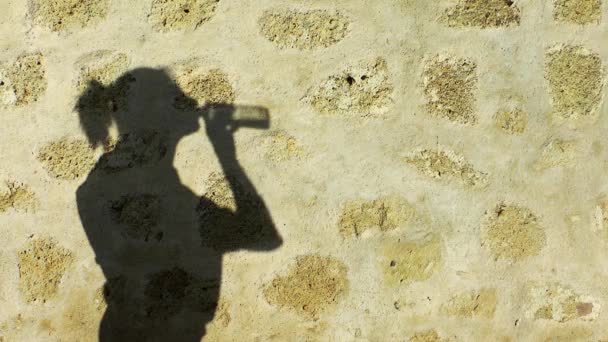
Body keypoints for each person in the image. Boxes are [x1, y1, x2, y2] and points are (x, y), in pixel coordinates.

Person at [75, 68, 282, 341]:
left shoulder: (103, 187)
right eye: (178, 96)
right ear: (152, 115)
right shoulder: (138, 192)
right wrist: (225, 154)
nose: (193, 103)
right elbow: (265, 237)